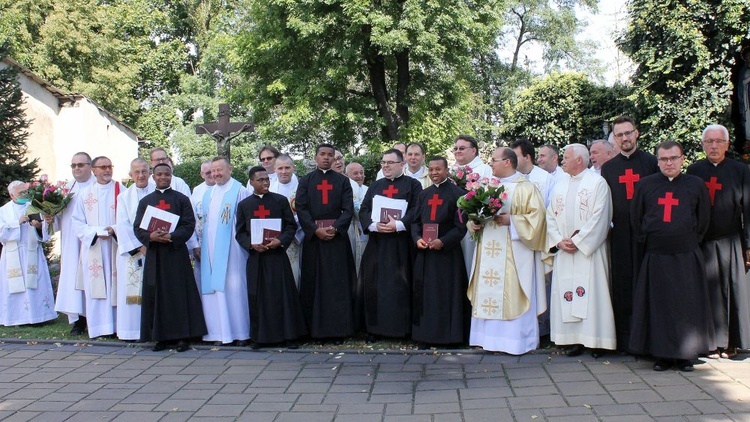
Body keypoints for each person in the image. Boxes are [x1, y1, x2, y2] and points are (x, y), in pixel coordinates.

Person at [630, 141, 713, 371]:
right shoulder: (646, 185)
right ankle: (662, 355)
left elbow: (703, 219)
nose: (669, 163)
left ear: (682, 159)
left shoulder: (695, 185)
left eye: (673, 158)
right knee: (659, 306)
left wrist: (688, 240)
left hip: (686, 254)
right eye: (664, 159)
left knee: (687, 305)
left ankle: (685, 355)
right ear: (657, 161)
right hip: (657, 255)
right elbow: (636, 218)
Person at [467, 147, 547, 354]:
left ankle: (515, 342)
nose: (490, 164)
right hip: (487, 252)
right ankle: (486, 340)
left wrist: (512, 220)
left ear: (508, 162)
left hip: (514, 251)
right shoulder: (484, 186)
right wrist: (473, 223)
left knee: (512, 292)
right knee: (487, 289)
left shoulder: (526, 188)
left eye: (494, 160)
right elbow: (472, 215)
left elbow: (538, 220)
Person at [546, 144, 616, 357]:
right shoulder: (559, 185)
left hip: (589, 252)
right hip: (566, 251)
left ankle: (596, 340)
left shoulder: (597, 183)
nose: (562, 161)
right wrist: (558, 241)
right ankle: (572, 340)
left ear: (579, 160)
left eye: (566, 157)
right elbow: (550, 216)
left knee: (592, 293)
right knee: (568, 293)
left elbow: (601, 216)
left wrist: (579, 241)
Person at [687, 124, 750, 357]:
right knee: (708, 292)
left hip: (731, 240)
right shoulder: (694, 171)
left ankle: (732, 342)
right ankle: (710, 343)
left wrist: (748, 244)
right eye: (709, 142)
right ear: (703, 145)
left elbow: (748, 210)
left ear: (727, 144)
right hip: (702, 242)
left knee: (732, 291)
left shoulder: (741, 170)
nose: (714, 146)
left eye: (718, 141)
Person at [134, 163, 207, 352]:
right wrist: (150, 237)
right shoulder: (146, 201)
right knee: (158, 294)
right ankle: (161, 338)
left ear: (171, 176)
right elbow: (138, 227)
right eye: (159, 174)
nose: (163, 177)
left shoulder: (181, 199)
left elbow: (188, 224)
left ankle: (182, 337)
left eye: (167, 174)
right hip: (156, 254)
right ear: (153, 176)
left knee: (178, 294)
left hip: (176, 253)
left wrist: (172, 237)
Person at [600, 115, 659, 352]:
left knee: (648, 286)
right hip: (620, 236)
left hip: (647, 235)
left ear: (637, 133)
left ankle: (651, 340)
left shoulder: (651, 163)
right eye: (619, 135)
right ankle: (625, 341)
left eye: (628, 133)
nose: (624, 138)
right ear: (614, 138)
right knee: (623, 287)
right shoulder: (608, 168)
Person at [236, 166, 308, 348]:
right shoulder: (244, 205)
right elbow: (240, 233)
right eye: (260, 180)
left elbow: (290, 226)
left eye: (267, 179)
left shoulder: (280, 201)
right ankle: (260, 337)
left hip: (276, 255)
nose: (265, 183)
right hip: (257, 257)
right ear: (251, 182)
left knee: (282, 294)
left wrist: (281, 241)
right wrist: (251, 244)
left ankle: (289, 336)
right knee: (257, 296)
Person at [359, 149, 423, 339]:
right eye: (383, 163)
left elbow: (416, 209)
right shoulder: (376, 185)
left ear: (401, 164)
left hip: (401, 245)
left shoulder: (413, 185)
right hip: (378, 244)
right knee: (374, 286)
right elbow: (364, 209)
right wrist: (373, 225)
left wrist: (400, 224)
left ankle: (402, 329)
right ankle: (375, 329)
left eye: (390, 163)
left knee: (401, 285)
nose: (385, 166)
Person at [296, 144, 356, 342]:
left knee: (336, 284)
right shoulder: (306, 181)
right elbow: (301, 208)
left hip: (336, 240)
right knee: (314, 283)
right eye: (322, 154)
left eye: (330, 155)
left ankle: (339, 330)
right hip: (315, 240)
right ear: (316, 157)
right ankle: (314, 331)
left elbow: (348, 209)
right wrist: (315, 230)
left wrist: (336, 228)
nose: (326, 158)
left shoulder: (342, 181)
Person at [411, 156, 469, 346]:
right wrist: (418, 238)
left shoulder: (458, 194)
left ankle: (449, 337)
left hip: (447, 254)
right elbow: (415, 222)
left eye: (438, 169)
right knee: (426, 294)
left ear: (446, 170)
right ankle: (424, 336)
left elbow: (461, 227)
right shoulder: (423, 194)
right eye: (432, 169)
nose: (434, 173)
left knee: (447, 294)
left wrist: (442, 241)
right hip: (426, 252)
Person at [196, 156, 251, 346]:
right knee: (214, 291)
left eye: (220, 170)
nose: (216, 174)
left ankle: (240, 333)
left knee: (234, 290)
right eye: (213, 171)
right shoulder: (207, 194)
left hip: (234, 250)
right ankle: (217, 333)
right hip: (210, 249)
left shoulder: (240, 191)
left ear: (230, 169)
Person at [71, 156, 126, 338]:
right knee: (97, 288)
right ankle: (100, 328)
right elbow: (77, 223)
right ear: (94, 170)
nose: (107, 170)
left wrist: (115, 229)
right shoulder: (85, 194)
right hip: (94, 248)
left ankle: (119, 326)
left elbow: (129, 219)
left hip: (115, 246)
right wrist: (95, 232)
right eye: (102, 167)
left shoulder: (121, 191)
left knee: (117, 285)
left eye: (109, 166)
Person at [0, 181, 57, 326]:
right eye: (20, 193)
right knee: (15, 286)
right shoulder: (3, 211)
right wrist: (16, 223)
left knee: (34, 284)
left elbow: (45, 232)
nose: (24, 196)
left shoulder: (34, 207)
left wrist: (39, 226)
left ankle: (38, 317)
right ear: (12, 195)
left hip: (32, 251)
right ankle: (16, 318)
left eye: (25, 192)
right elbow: (1, 234)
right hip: (14, 253)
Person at [114, 158, 154, 340]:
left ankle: (155, 330)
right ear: (130, 175)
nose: (141, 175)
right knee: (134, 292)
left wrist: (152, 244)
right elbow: (122, 225)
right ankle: (133, 331)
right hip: (135, 252)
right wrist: (139, 245)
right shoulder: (123, 197)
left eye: (144, 171)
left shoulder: (158, 193)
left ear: (149, 172)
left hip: (156, 249)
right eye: (136, 172)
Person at [55, 152, 95, 334]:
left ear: (90, 166)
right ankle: (79, 320)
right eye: (73, 165)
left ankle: (95, 318)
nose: (77, 168)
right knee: (73, 279)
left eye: (81, 164)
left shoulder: (99, 186)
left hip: (93, 241)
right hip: (71, 242)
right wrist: (49, 217)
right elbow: (56, 219)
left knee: (94, 277)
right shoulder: (65, 190)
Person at [269, 154, 303, 287]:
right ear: (274, 169)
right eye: (280, 168)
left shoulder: (302, 188)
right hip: (278, 238)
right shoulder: (270, 189)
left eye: (287, 168)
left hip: (300, 236)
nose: (284, 172)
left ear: (293, 168)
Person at [190, 160, 215, 289]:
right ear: (201, 174)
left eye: (213, 171)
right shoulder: (197, 191)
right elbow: (192, 218)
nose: (211, 175)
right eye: (207, 172)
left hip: (219, 242)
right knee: (202, 282)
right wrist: (195, 244)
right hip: (202, 243)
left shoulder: (227, 188)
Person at [510, 139, 554, 206]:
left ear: (527, 157)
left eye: (515, 157)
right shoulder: (510, 178)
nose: (512, 160)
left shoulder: (547, 179)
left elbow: (551, 207)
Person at [345, 162, 369, 274]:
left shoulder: (369, 189)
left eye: (361, 172)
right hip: (352, 231)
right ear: (347, 175)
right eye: (355, 173)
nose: (359, 176)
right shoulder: (345, 189)